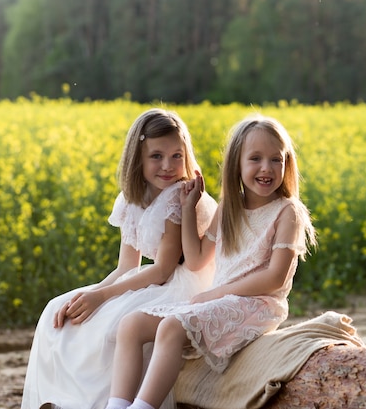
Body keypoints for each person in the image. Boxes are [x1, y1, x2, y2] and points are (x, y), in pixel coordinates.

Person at [104, 114, 317, 409]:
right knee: (131, 325)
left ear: (287, 164)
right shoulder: (230, 208)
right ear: (237, 164)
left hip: (257, 304)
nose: (266, 168)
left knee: (171, 327)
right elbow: (195, 260)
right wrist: (189, 208)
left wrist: (214, 295)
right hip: (220, 301)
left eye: (276, 160)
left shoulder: (287, 211)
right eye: (255, 158)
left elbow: (275, 277)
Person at [21, 108, 218, 409]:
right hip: (149, 279)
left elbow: (163, 270)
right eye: (156, 156)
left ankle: (111, 402)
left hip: (185, 283)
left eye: (177, 156)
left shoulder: (178, 196)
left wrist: (103, 297)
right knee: (56, 309)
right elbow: (127, 267)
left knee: (114, 323)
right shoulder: (131, 198)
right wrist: (93, 293)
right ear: (137, 157)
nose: (168, 166)